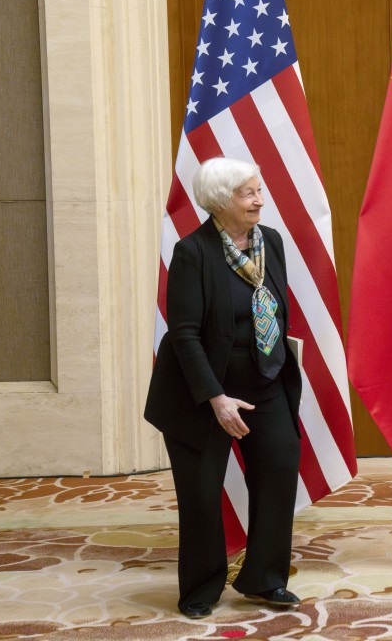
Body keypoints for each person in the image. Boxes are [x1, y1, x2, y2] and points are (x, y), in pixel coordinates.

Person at [144, 156, 303, 619]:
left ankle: (265, 578)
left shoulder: (269, 242)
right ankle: (201, 586)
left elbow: (275, 313)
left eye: (258, 190)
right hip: (201, 392)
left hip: (264, 383)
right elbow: (185, 333)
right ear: (219, 201)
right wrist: (215, 397)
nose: (259, 199)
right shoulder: (192, 253)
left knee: (278, 472)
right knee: (200, 492)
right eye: (248, 193)